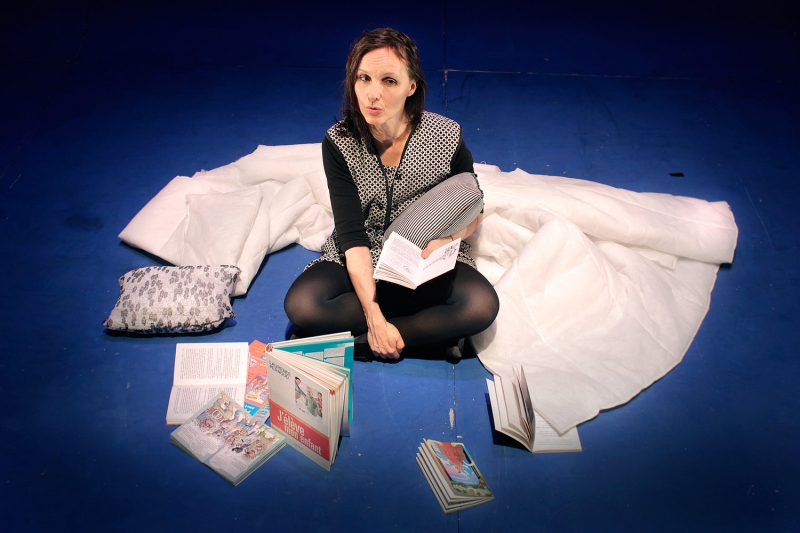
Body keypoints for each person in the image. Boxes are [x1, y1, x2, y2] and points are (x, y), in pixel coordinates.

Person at [284, 28, 499, 360]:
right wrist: (373, 314)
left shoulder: (446, 135)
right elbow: (353, 239)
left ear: (411, 86)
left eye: (389, 81)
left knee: (481, 305)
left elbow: (475, 203)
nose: (373, 95)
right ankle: (429, 332)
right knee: (302, 305)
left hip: (422, 253)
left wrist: (449, 239)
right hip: (361, 252)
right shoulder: (339, 142)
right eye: (364, 79)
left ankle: (370, 340)